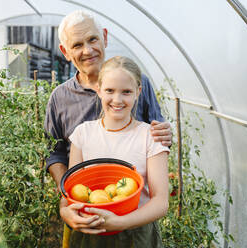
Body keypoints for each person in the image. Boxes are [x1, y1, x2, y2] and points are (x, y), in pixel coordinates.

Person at [44, 9, 172, 236]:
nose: (87, 50)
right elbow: (54, 153)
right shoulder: (60, 98)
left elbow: (157, 136)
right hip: (85, 214)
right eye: (77, 45)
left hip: (133, 216)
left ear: (104, 36)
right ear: (65, 51)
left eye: (92, 39)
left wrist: (165, 135)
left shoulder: (139, 83)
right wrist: (67, 199)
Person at [65, 56, 169, 247]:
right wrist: (66, 212)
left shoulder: (150, 136)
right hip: (91, 232)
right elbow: (71, 192)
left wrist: (120, 223)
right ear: (98, 90)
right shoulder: (82, 134)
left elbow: (161, 202)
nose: (117, 100)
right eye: (110, 91)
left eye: (126, 92)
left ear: (138, 92)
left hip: (137, 233)